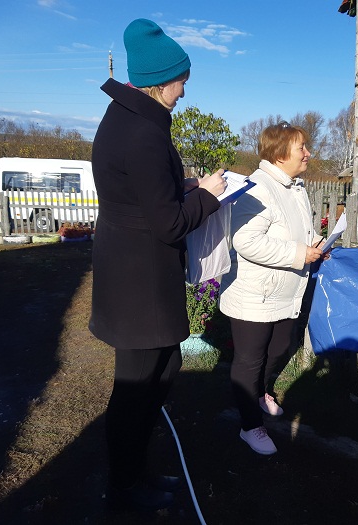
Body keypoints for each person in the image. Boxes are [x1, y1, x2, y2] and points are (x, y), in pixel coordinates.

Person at [89, 18, 227, 511]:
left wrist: (185, 188)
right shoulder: (142, 133)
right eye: (182, 81)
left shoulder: (128, 118)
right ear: (161, 79)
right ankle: (125, 485)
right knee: (135, 391)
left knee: (163, 373)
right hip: (138, 284)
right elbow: (169, 225)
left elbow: (143, 198)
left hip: (136, 274)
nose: (185, 92)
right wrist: (208, 196)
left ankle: (134, 470)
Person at [219, 122, 323, 455]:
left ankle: (261, 392)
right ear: (279, 154)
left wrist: (316, 243)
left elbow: (295, 231)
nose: (308, 153)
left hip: (284, 292)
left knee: (280, 347)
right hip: (254, 293)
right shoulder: (257, 188)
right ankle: (250, 426)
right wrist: (298, 254)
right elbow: (245, 240)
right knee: (250, 360)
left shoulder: (294, 186)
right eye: (301, 148)